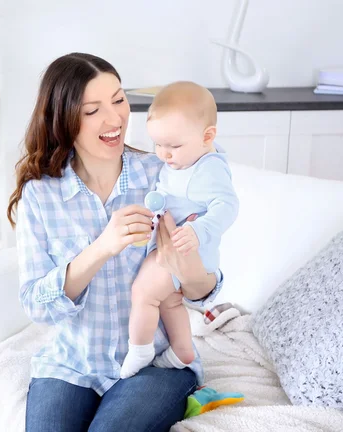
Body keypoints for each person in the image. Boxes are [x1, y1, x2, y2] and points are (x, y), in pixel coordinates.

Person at [7, 53, 223, 432]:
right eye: (92, 110)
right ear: (64, 119)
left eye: (119, 101)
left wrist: (185, 263)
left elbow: (203, 293)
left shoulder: (165, 174)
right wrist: (102, 246)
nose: (114, 120)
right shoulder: (40, 196)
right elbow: (36, 305)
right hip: (70, 365)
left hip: (156, 364)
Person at [120, 82, 239, 378]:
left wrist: (199, 229)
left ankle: (140, 349)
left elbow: (227, 205)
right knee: (170, 300)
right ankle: (183, 349)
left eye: (173, 146)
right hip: (175, 248)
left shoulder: (207, 169)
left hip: (189, 251)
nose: (164, 154)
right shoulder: (187, 160)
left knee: (143, 293)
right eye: (158, 145)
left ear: (207, 136)